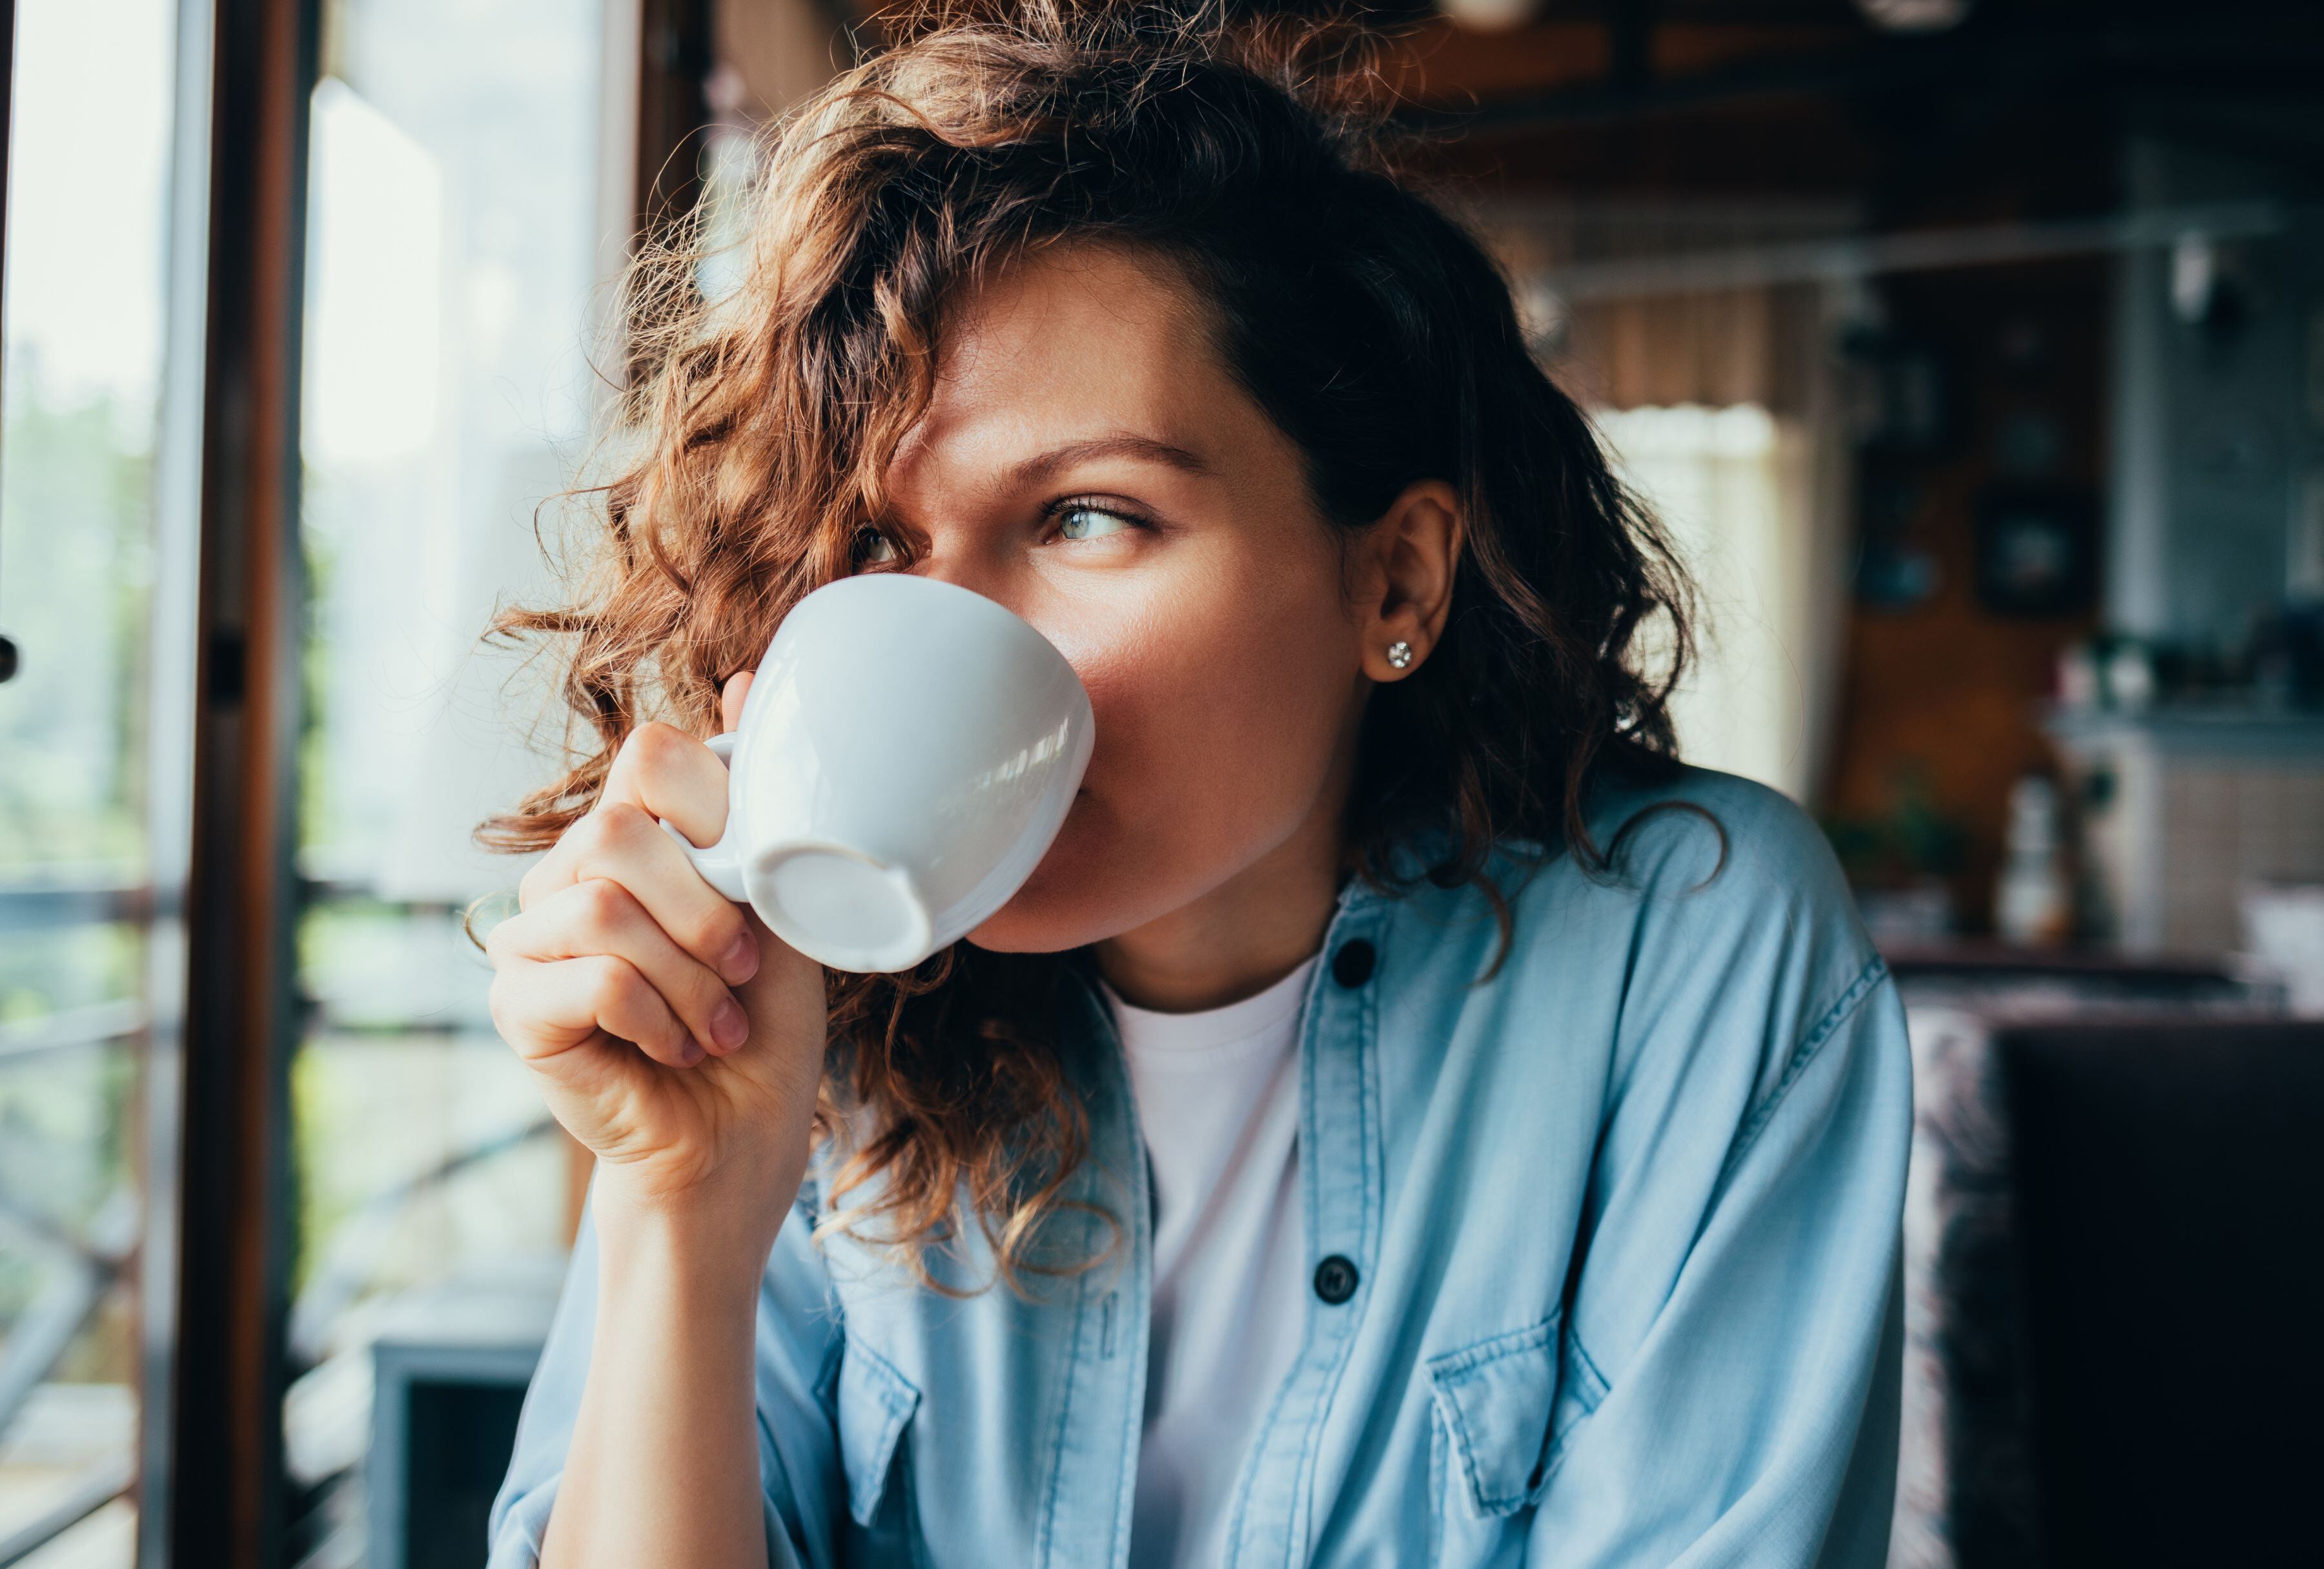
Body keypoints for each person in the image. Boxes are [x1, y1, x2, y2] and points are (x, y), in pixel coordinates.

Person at [480, 3, 1913, 1566]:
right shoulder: (802, 1020)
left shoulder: (1689, 949)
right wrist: (684, 1214)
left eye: (1089, 515)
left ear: (1396, 581)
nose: (941, 627)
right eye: (881, 546)